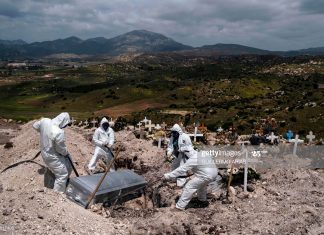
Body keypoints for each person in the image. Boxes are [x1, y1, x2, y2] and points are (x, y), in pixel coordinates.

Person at [33, 112, 72, 193]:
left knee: (65, 167)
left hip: (44, 153)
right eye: (66, 124)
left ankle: (54, 182)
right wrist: (66, 153)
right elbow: (60, 149)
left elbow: (35, 125)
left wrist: (43, 132)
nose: (65, 127)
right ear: (63, 121)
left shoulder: (45, 121)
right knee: (62, 174)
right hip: (53, 156)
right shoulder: (58, 132)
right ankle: (57, 195)